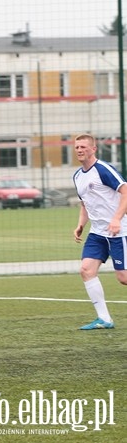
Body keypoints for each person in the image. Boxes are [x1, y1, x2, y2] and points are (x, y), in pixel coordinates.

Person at [72, 133, 127, 330]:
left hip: (119, 232)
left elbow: (125, 191)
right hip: (97, 233)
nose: (79, 150)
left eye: (83, 147)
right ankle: (104, 319)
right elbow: (85, 204)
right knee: (86, 270)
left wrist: (116, 219)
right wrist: (81, 225)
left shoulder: (103, 170)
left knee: (123, 278)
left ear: (93, 149)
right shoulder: (78, 176)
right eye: (77, 147)